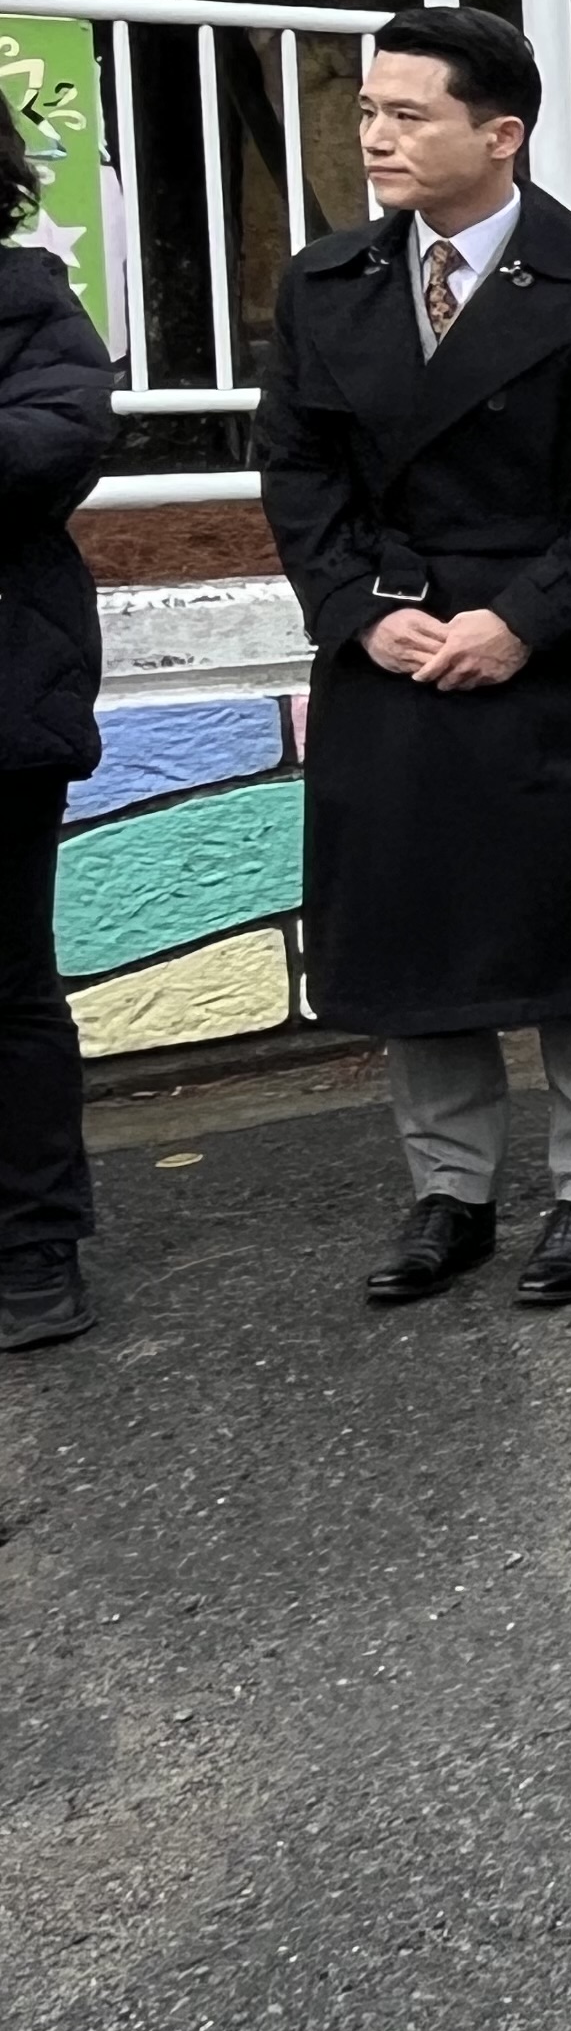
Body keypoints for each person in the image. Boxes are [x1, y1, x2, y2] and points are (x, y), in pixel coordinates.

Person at [257, 6, 571, 1310]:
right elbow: (295, 466)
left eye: (409, 114)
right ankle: (448, 1192)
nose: (377, 136)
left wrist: (522, 617)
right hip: (391, 650)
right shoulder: (325, 283)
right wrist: (352, 604)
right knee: (418, 932)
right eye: (368, 113)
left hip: (547, 648)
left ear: (500, 134)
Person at [0, 139, 116, 1354]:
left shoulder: (27, 299)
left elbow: (54, 445)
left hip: (5, 705)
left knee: (9, 987)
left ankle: (35, 1242)